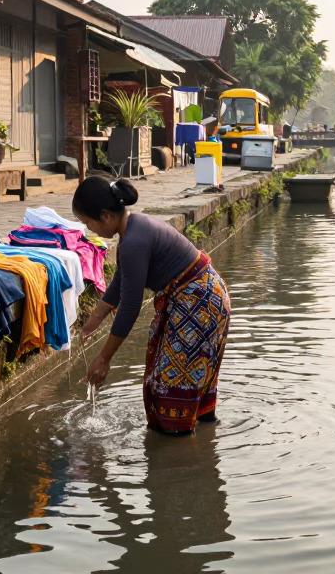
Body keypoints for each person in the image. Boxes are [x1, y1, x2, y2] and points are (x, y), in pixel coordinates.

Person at [73, 176, 231, 435]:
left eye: (87, 223)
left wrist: (104, 359)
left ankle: (178, 461)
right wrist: (93, 322)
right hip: (205, 298)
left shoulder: (134, 241)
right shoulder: (132, 229)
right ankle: (204, 446)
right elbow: (121, 281)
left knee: (172, 388)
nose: (89, 229)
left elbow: (130, 306)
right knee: (188, 380)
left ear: (105, 216)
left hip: (198, 304)